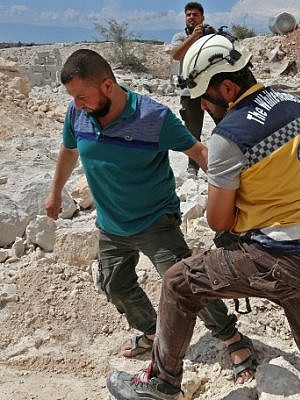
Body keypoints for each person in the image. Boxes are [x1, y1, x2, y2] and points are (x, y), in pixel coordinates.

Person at [106, 34, 300, 400]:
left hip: (287, 259)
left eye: (205, 101)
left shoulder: (230, 134)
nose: (204, 109)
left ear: (226, 86)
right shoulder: (295, 103)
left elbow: (218, 221)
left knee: (178, 282)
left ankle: (160, 384)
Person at [45, 49, 255, 378]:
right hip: (110, 225)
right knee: (115, 285)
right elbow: (69, 150)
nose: (78, 104)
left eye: (83, 96)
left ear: (108, 86)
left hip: (156, 221)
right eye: (73, 97)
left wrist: (238, 201)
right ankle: (153, 331)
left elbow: (197, 151)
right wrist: (55, 192)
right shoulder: (77, 114)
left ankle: (230, 335)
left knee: (186, 284)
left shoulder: (153, 117)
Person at [169, 2, 216, 175]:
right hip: (189, 91)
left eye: (195, 14)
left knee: (225, 124)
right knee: (192, 130)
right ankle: (193, 166)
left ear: (202, 17)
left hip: (211, 89)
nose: (191, 17)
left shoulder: (209, 34)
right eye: (188, 14)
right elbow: (175, 55)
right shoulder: (180, 37)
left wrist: (213, 34)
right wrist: (193, 37)